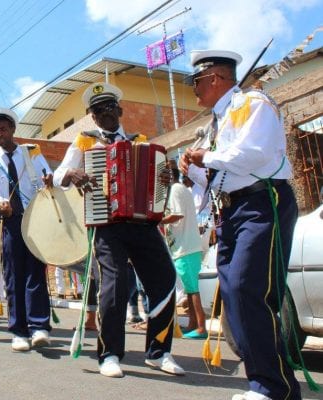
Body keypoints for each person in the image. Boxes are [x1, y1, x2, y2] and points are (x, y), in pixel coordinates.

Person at [180, 50, 300, 400]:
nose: (194, 91)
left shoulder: (252, 103)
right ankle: (266, 384)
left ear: (215, 78)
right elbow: (220, 181)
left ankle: (272, 387)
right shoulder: (217, 122)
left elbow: (256, 153)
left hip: (264, 203)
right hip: (233, 211)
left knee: (250, 290)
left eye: (197, 83)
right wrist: (192, 171)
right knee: (234, 297)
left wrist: (207, 156)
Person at [53, 82, 184, 378]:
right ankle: (110, 353)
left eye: (110, 108)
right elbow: (59, 172)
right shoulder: (84, 142)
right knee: (115, 285)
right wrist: (72, 173)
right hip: (106, 223)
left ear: (120, 111)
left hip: (143, 222)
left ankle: (159, 351)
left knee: (164, 278)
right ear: (92, 116)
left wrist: (161, 188)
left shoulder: (141, 141)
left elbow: (160, 178)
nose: (105, 114)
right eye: (98, 110)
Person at [0, 108, 53, 352]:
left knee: (36, 272)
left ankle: (39, 326)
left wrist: (49, 180)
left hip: (34, 219)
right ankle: (19, 331)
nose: (0, 134)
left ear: (12, 129)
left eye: (3, 129)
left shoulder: (31, 153)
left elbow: (47, 174)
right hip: (10, 222)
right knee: (14, 276)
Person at [160, 167, 207, 339]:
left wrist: (157, 220)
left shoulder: (175, 189)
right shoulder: (177, 190)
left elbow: (176, 215)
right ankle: (193, 323)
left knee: (193, 290)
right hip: (183, 247)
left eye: (163, 176)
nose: (161, 180)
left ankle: (201, 326)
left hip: (186, 247)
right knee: (189, 289)